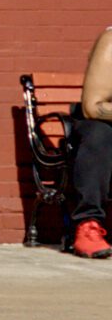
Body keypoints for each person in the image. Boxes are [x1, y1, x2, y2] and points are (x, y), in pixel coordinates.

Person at [65, 27, 112, 257]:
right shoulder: (111, 43)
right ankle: (88, 224)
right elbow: (93, 107)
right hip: (105, 128)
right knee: (98, 133)